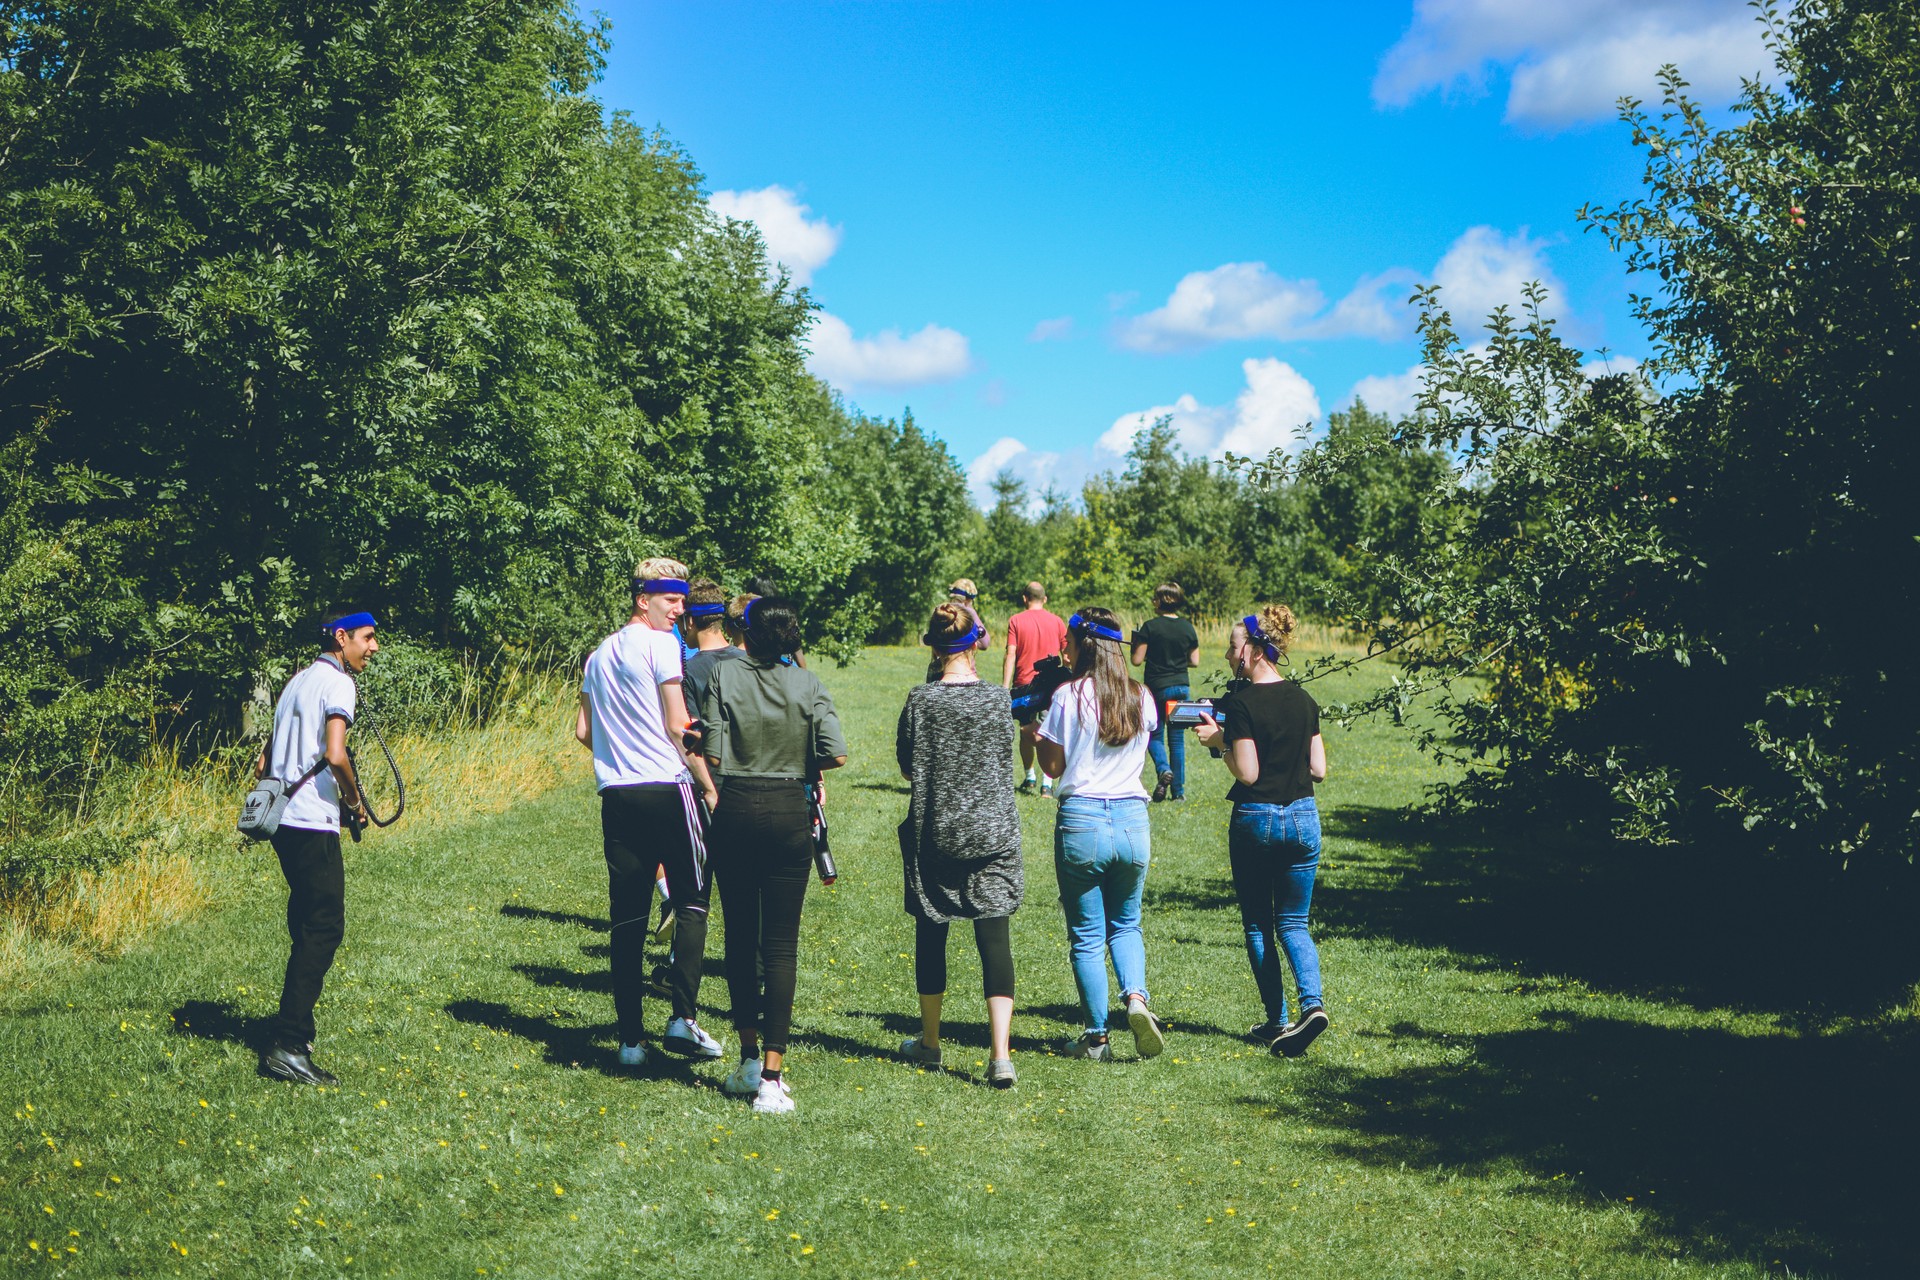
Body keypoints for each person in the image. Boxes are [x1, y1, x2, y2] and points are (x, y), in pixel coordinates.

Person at [699, 597, 848, 1115]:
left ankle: (744, 1058)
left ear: (749, 634)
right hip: (788, 808)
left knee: (740, 938)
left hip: (736, 806)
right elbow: (837, 751)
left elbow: (712, 753)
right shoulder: (808, 684)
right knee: (781, 945)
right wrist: (804, 759)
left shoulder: (725, 677)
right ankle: (772, 1074)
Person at [576, 558, 725, 1068]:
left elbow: (582, 731)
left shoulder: (597, 656)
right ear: (644, 599)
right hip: (668, 787)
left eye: (684, 601)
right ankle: (683, 1018)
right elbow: (677, 724)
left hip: (617, 794)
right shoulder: (662, 645)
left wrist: (620, 748)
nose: (681, 611)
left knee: (627, 917)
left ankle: (630, 1040)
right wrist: (709, 787)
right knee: (693, 899)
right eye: (673, 601)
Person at [895, 603, 1023, 1089]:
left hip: (936, 833)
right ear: (975, 644)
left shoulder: (921, 700)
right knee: (995, 939)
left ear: (932, 646)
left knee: (931, 935)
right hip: (993, 834)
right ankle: (1001, 1055)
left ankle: (930, 1042)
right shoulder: (997, 700)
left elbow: (908, 767)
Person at [1193, 604, 1330, 1058]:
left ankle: (1277, 1021)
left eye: (1233, 648)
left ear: (1252, 650)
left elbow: (1247, 773)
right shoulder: (1305, 700)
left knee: (1258, 924)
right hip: (1305, 818)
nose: (1228, 656)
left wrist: (1220, 744)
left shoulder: (1242, 703)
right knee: (1294, 922)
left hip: (1258, 819)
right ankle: (1313, 1006)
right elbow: (1319, 768)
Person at [1034, 606, 1166, 1061]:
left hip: (1083, 821)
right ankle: (1136, 999)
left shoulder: (1068, 696)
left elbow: (1051, 769)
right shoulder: (1141, 696)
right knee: (1126, 923)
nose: (1061, 649)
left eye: (1067, 641)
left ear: (1083, 644)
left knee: (1087, 936)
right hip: (1132, 819)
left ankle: (1096, 1038)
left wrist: (1037, 729)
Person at [253, 610, 378, 1085]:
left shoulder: (295, 682)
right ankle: (289, 1043)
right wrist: (353, 799)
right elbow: (335, 753)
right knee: (324, 928)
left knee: (306, 922)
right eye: (367, 639)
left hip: (282, 821)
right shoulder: (339, 685)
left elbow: (266, 757)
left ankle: (292, 1032)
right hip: (311, 821)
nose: (374, 648)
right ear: (341, 638)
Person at [1130, 582, 1201, 802]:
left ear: (1161, 600)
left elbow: (1136, 660)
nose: (1152, 601)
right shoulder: (1188, 627)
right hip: (1181, 685)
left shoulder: (1150, 627)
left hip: (1157, 688)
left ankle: (1163, 768)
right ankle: (1178, 793)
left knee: (1153, 734)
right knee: (1177, 741)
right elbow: (1195, 661)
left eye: (1155, 598)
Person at [1002, 581, 1068, 797]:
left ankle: (1030, 776)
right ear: (1045, 599)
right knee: (1049, 732)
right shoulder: (1057, 622)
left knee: (1026, 731)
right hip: (1051, 686)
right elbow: (1067, 655)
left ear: (1024, 598)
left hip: (1024, 685)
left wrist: (1005, 686)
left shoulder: (1016, 620)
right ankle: (1047, 782)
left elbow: (1011, 654)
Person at [946, 579, 993, 653]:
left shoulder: (942, 611)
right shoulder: (969, 613)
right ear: (969, 599)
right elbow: (985, 644)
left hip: (941, 663)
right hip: (965, 663)